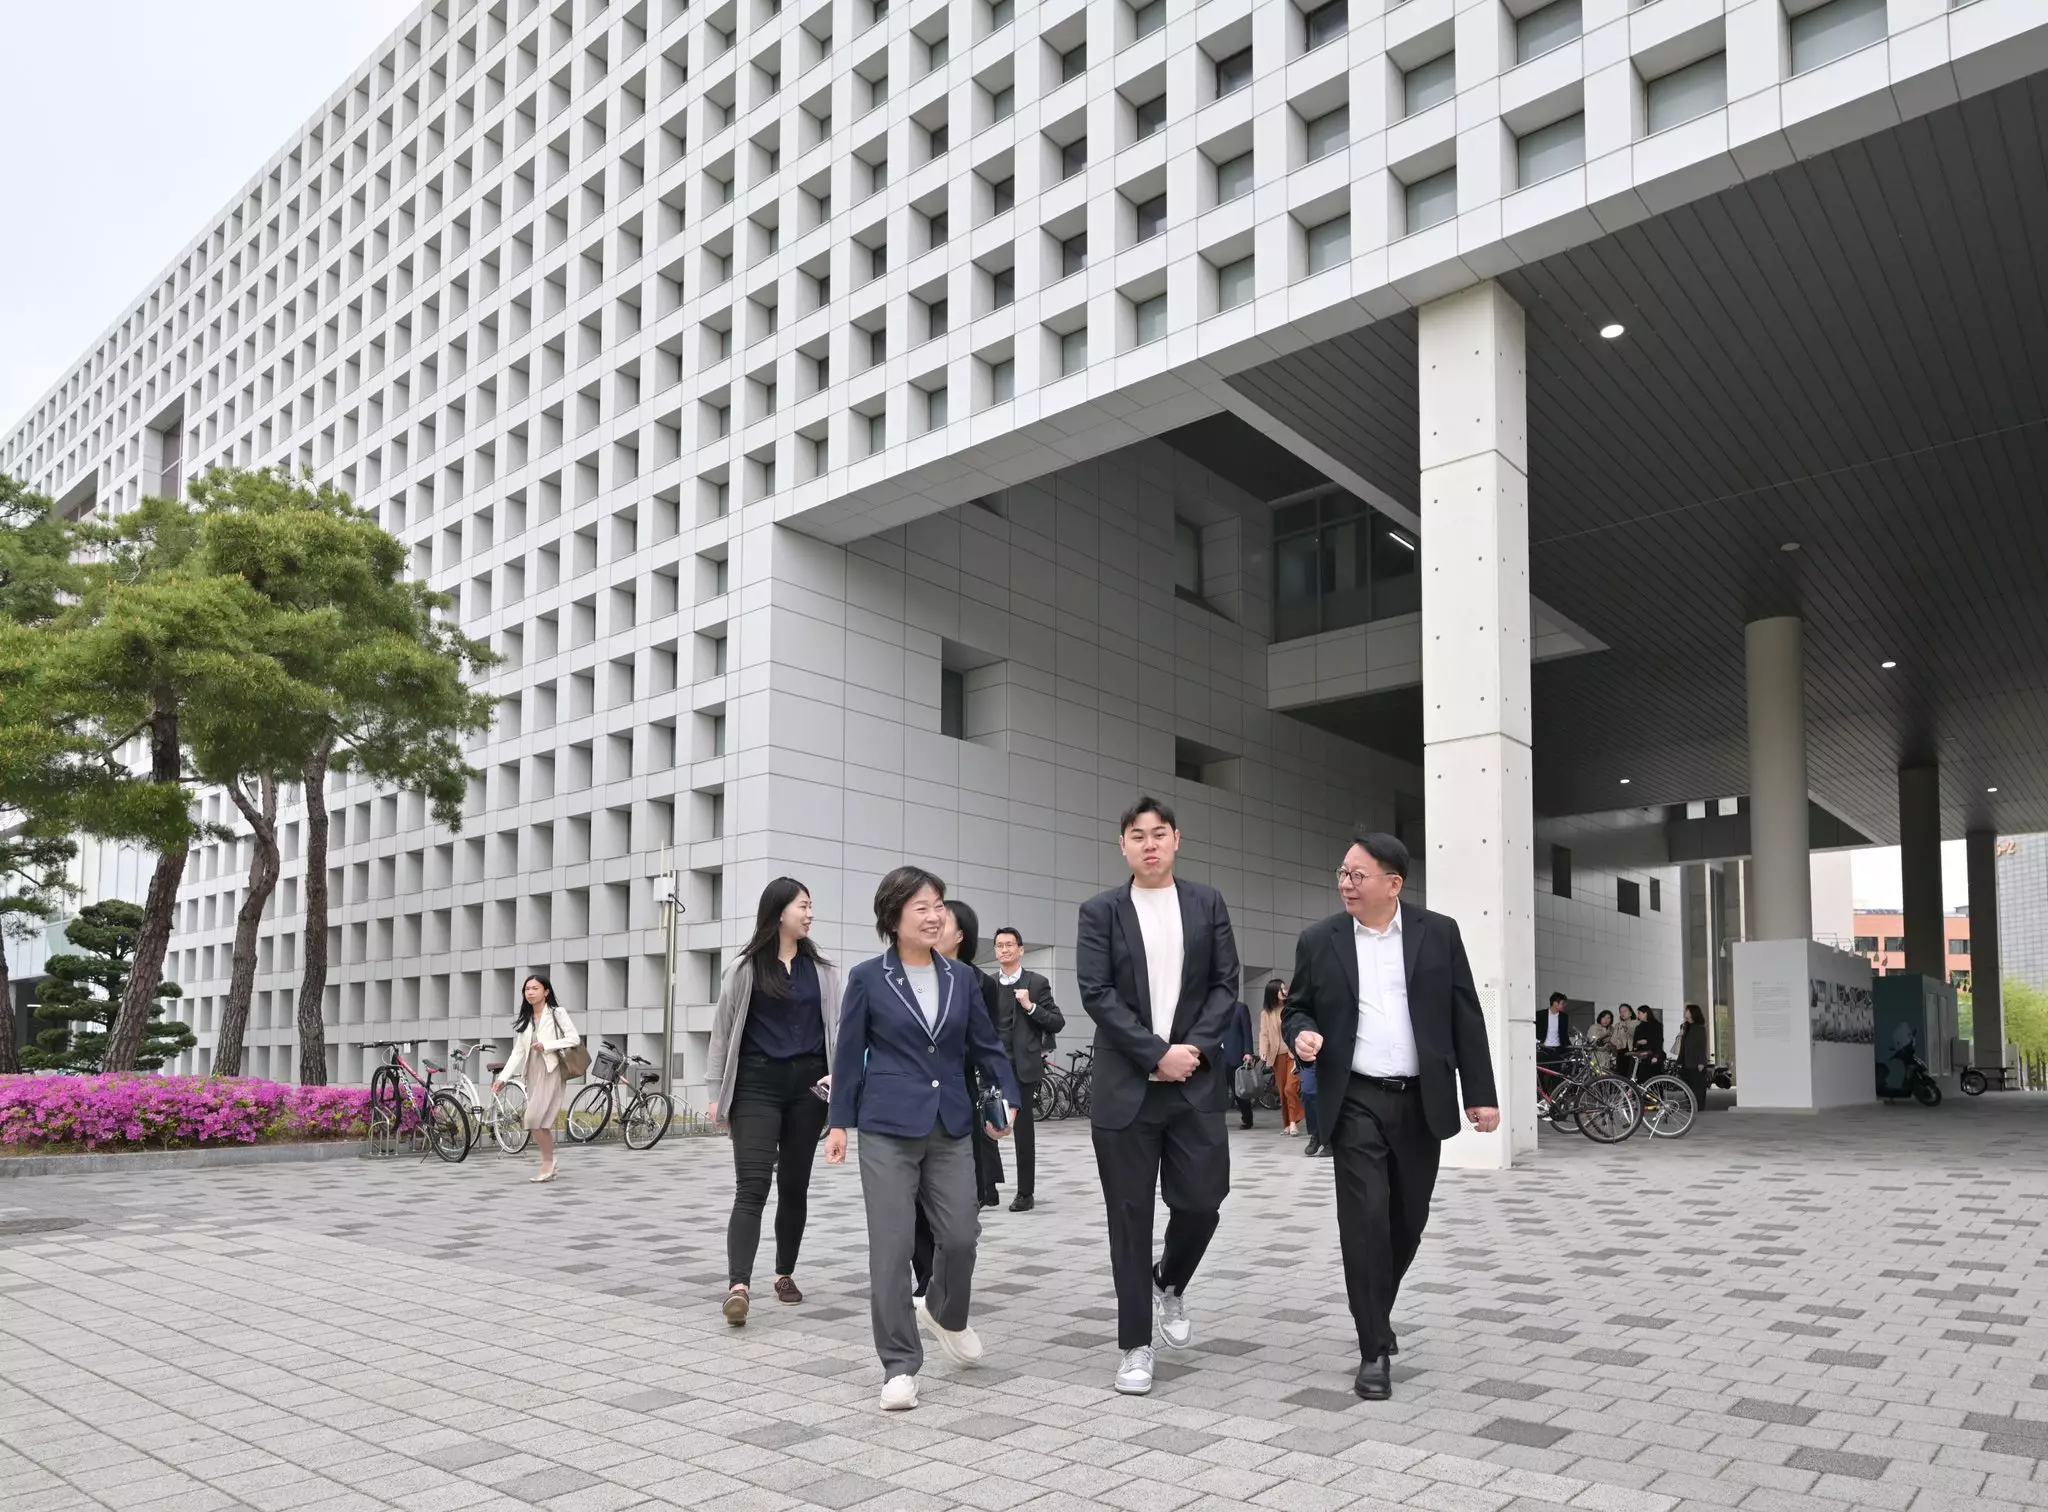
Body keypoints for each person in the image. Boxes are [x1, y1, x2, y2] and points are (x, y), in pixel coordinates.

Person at [1283, 828, 1498, 1402]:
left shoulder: (1439, 933)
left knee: (1407, 1222)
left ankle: (1375, 1309)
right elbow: (1298, 1008)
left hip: (1421, 1100)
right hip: (1355, 1098)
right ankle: (1373, 1347)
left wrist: (1481, 1093)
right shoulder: (1320, 940)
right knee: (1365, 1222)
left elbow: (1465, 1015)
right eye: (1343, 873)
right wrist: (1301, 1033)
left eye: (1358, 875)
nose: (1346, 884)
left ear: (1393, 884)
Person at [825, 867, 1020, 1413]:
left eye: (939, 906)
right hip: (887, 1125)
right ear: (893, 918)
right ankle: (899, 1365)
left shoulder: (961, 978)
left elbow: (986, 1045)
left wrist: (1009, 1095)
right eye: (922, 907)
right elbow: (848, 1054)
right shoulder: (869, 978)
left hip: (951, 1123)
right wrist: (839, 1123)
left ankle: (944, 1312)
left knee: (960, 1236)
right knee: (891, 1249)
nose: (935, 916)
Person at [1076, 796, 1240, 1397]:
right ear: (1122, 845)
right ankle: (1134, 1346)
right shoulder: (1100, 912)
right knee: (1129, 1217)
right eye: (1138, 835)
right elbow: (1097, 993)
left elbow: (1226, 984)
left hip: (1193, 1085)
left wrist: (1190, 1049)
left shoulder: (1206, 903)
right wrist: (1155, 1054)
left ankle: (1168, 1280)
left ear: (1176, 840)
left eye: (1160, 833)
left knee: (1203, 1201)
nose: (1150, 844)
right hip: (1126, 1092)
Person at [705, 877, 842, 1326]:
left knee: (795, 1184)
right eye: (803, 905)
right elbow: (722, 1033)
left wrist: (838, 1079)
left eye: (810, 905)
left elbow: (838, 1030)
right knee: (752, 1185)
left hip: (808, 1090)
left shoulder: (822, 971)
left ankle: (784, 1274)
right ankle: (738, 1287)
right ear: (779, 911)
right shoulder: (745, 968)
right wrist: (715, 1094)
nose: (810, 913)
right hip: (755, 1086)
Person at [913, 899, 1004, 1299]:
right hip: (909, 1099)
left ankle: (944, 1275)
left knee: (958, 1200)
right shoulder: (907, 974)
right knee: (912, 1195)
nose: (933, 924)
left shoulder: (980, 984)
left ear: (961, 936)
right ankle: (926, 1279)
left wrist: (998, 1102)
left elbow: (988, 1045)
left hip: (958, 1097)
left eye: (943, 921)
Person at [989, 924, 1066, 1210]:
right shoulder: (988, 984)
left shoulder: (1036, 982)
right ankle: (987, 1189)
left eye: (1009, 944)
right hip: (993, 1065)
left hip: (1023, 1066)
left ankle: (1025, 1193)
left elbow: (1057, 1021)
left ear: (1020, 950)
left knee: (1022, 1131)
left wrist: (1030, 1006)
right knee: (985, 1124)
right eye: (999, 945)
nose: (1004, 949)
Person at [495, 975, 580, 1183]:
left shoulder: (557, 1013)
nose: (530, 992)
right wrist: (503, 1078)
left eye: (535, 988)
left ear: (546, 991)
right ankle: (549, 1162)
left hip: (551, 1070)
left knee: (534, 1118)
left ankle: (548, 1163)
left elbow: (574, 1038)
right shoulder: (527, 1018)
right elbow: (517, 1052)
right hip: (532, 1072)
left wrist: (547, 1045)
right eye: (527, 989)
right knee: (539, 1122)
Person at [1259, 980, 1304, 1135]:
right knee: (1282, 1090)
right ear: (1273, 992)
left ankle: (1293, 1123)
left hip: (1293, 1053)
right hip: (1277, 1055)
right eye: (1281, 989)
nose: (1284, 991)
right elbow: (1264, 1034)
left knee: (1290, 1088)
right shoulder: (1266, 1013)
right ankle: (1287, 1123)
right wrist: (1263, 1051)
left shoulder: (1291, 1008)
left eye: (1285, 988)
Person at [1222, 996, 1257, 1129]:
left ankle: (1247, 1119)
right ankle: (1217, 1121)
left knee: (1239, 1091)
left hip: (1234, 1055)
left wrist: (1248, 1052)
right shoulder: (1213, 1009)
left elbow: (1247, 1032)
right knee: (1217, 1092)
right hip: (1217, 1057)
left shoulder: (1240, 1008)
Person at [1677, 1003, 1710, 1110]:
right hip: (1685, 1061)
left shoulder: (1699, 1028)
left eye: (1687, 1011)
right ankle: (1691, 1105)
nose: (1685, 1012)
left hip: (1696, 1062)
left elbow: (1702, 1045)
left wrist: (1701, 1062)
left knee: (1697, 1086)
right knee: (1687, 1085)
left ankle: (1698, 1106)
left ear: (1693, 1013)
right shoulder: (1685, 1026)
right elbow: (1682, 1045)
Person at [1630, 1005, 1667, 1082]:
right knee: (1642, 1079)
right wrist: (1638, 1043)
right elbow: (1635, 1044)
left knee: (1654, 1080)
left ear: (1645, 1013)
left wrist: (1656, 1056)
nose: (1638, 1016)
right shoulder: (1639, 1027)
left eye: (1639, 1013)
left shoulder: (1657, 1026)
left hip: (1653, 1056)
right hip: (1642, 1058)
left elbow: (1659, 1042)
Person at [1537, 992, 1570, 1072]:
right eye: (1562, 1003)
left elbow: (1564, 1035)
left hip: (1556, 1050)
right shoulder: (1540, 1014)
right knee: (1541, 1073)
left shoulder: (1564, 1017)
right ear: (1555, 1003)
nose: (1564, 1006)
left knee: (1556, 1073)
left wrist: (1569, 1049)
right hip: (1542, 1048)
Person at [1585, 1009, 1620, 1074]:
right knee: (1595, 1073)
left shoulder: (1612, 1029)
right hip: (1595, 1055)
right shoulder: (1594, 1027)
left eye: (1608, 1018)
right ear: (1600, 1018)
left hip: (1607, 1056)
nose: (1605, 1020)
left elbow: (1615, 1042)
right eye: (1603, 1017)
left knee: (1605, 1074)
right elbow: (1594, 1043)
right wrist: (1607, 1042)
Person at [1613, 1004, 1638, 1081]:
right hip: (1621, 1052)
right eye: (1620, 1012)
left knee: (1631, 1074)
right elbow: (1613, 1039)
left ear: (1630, 1013)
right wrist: (1616, 1042)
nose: (1622, 1013)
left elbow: (1636, 1035)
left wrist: (1626, 1027)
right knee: (1620, 1075)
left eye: (1625, 1011)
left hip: (1633, 1052)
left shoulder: (1636, 1023)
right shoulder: (1618, 1025)